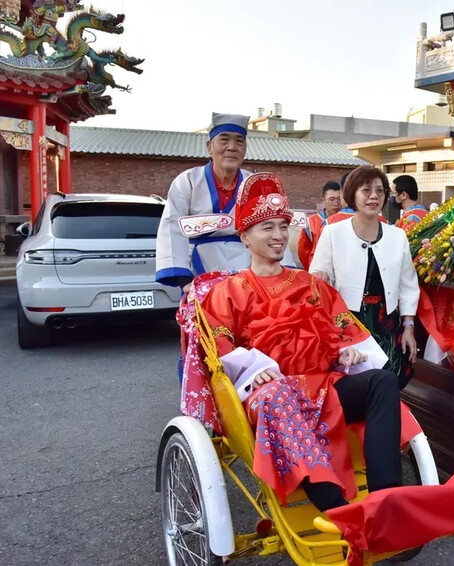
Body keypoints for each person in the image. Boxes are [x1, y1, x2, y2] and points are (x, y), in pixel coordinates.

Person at [199, 172, 404, 512]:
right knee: (279, 394)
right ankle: (338, 510)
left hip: (322, 384)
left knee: (382, 380)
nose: (279, 236)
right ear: (245, 237)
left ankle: (387, 500)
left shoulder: (309, 284)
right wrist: (256, 371)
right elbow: (220, 348)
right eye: (267, 228)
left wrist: (346, 350)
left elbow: (342, 326)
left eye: (283, 226)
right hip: (271, 393)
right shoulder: (228, 292)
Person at [311, 165, 420, 387]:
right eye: (366, 190)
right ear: (352, 194)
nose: (374, 196)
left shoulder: (397, 236)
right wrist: (319, 282)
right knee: (355, 384)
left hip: (387, 324)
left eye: (380, 191)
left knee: (390, 384)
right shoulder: (333, 233)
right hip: (347, 325)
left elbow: (408, 285)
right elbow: (316, 282)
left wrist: (409, 326)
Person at [155, 113, 253, 289]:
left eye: (239, 141)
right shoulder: (187, 181)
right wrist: (184, 280)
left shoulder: (254, 184)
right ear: (209, 146)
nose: (232, 147)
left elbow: (271, 228)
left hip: (248, 268)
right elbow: (172, 227)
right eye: (224, 140)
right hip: (198, 268)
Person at [296, 180, 342, 269]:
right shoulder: (311, 222)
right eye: (331, 199)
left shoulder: (347, 220)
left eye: (339, 199)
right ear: (323, 200)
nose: (336, 203)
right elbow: (303, 251)